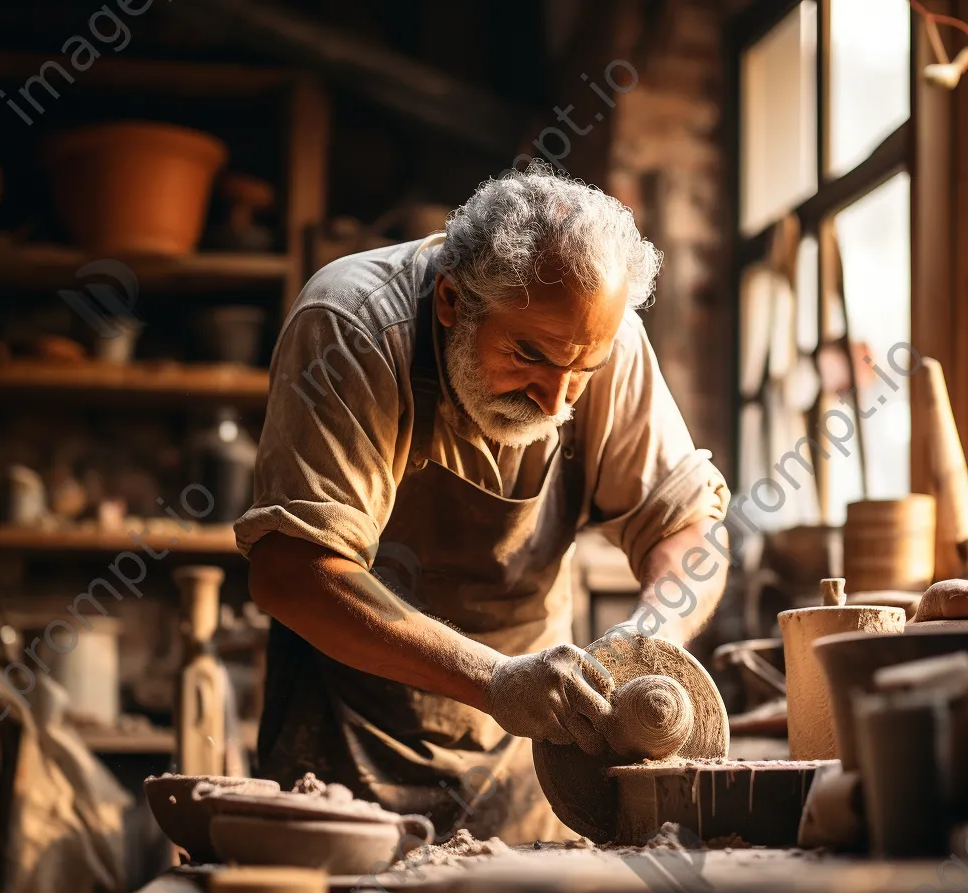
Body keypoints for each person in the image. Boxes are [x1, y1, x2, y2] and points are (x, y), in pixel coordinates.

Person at [236, 165, 730, 842]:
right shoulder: (353, 325)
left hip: (532, 754)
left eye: (581, 373)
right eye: (528, 355)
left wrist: (649, 641)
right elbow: (293, 569)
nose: (556, 402)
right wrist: (494, 680)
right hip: (347, 750)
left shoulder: (601, 339)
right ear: (449, 301)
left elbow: (687, 527)